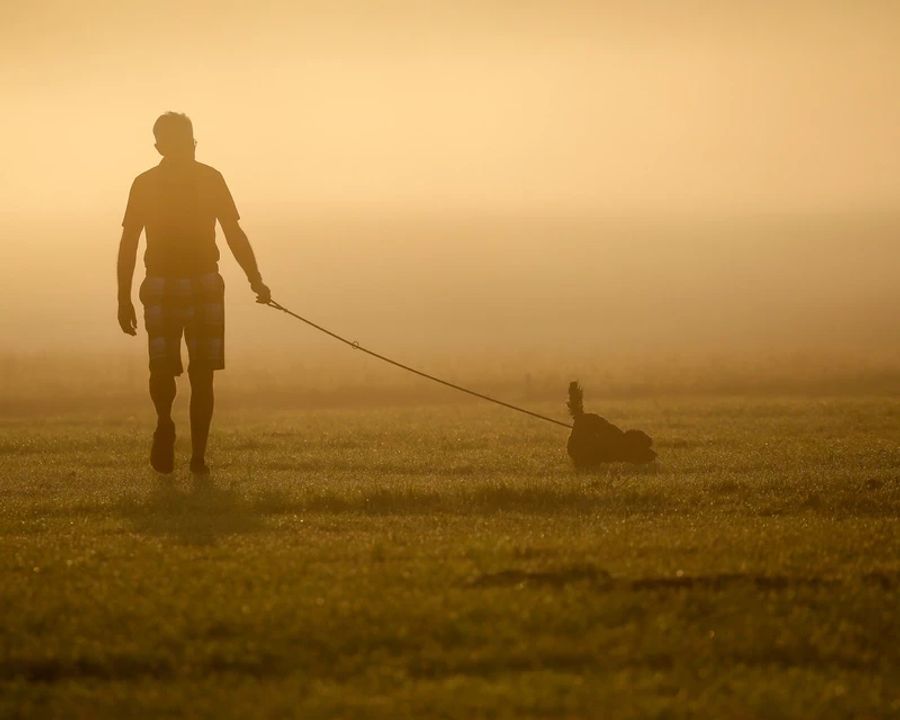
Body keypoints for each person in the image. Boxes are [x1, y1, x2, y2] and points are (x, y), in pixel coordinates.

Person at [117, 112, 271, 475]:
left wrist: (255, 279)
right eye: (177, 144)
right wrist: (122, 297)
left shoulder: (185, 180)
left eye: (185, 143)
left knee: (187, 371)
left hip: (187, 283)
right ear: (162, 146)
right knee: (176, 370)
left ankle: (191, 450)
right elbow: (129, 240)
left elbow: (233, 233)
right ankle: (173, 432)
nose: (183, 150)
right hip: (180, 284)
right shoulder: (189, 180)